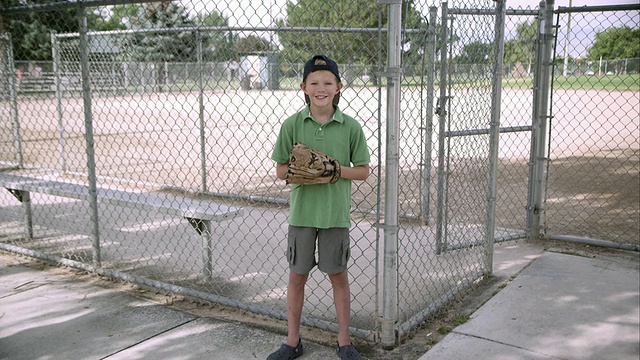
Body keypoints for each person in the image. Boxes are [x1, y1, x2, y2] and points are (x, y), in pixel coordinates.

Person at [268, 54, 370, 360]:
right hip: (302, 214)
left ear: (339, 87)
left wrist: (332, 169)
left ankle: (343, 341)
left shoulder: (350, 127)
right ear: (303, 87)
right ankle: (292, 340)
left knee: (337, 275)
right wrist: (301, 171)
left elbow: (363, 170)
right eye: (314, 82)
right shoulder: (293, 124)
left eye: (328, 82)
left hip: (334, 215)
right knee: (297, 276)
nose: (321, 88)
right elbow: (281, 169)